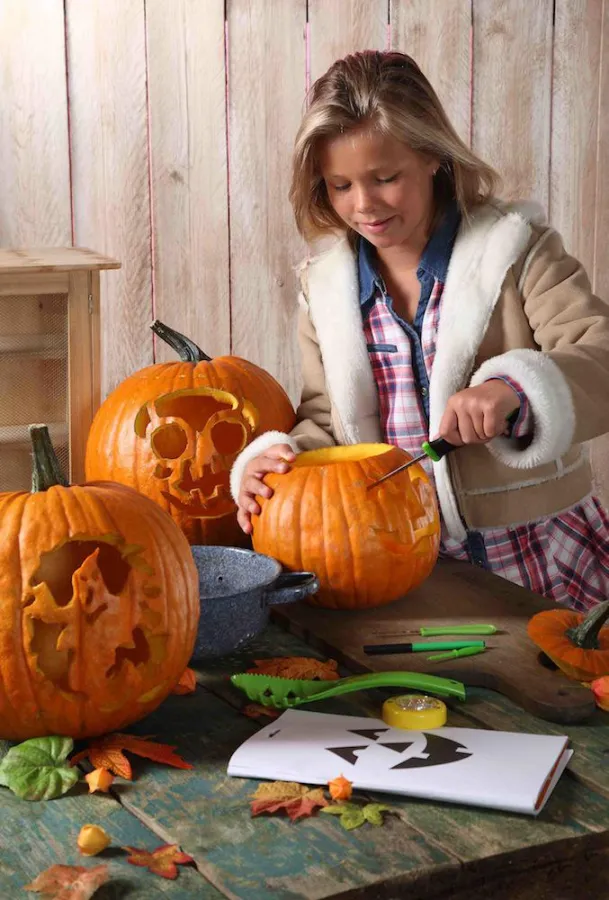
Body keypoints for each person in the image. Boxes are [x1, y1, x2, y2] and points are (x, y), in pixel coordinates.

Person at [230, 50, 609, 610]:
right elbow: (324, 421)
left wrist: (516, 391)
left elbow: (599, 356)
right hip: (407, 563)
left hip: (535, 554)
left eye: (385, 178)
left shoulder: (517, 252)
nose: (363, 205)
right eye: (339, 185)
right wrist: (282, 463)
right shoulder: (326, 292)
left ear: (433, 156)